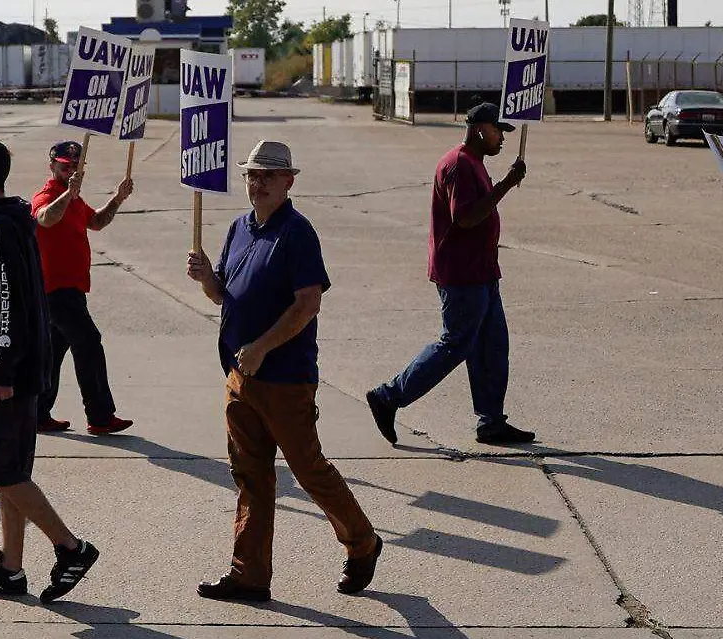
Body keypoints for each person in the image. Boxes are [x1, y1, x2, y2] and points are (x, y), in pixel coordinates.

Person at [186, 141, 382, 601]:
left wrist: (261, 348)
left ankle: (363, 542)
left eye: (269, 176)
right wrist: (207, 280)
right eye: (253, 175)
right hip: (240, 377)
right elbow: (224, 297)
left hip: (286, 379)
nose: (258, 184)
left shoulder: (297, 233)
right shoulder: (239, 228)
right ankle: (249, 575)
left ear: (289, 182)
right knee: (250, 476)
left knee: (309, 470)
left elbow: (307, 304)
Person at [0, 137, 99, 603]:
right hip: (15, 367)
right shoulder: (2, 225)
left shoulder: (2, 228)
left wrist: (0, 370)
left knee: (4, 470)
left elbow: (11, 307)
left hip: (7, 373)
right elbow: (4, 288)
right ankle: (10, 568)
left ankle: (70, 547)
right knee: (8, 469)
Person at [366, 101, 534, 446]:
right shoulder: (459, 164)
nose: (502, 138)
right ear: (478, 130)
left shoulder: (475, 163)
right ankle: (388, 396)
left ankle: (491, 421)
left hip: (482, 272)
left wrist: (500, 185)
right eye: (498, 131)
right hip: (462, 275)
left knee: (491, 346)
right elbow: (466, 218)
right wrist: (505, 185)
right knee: (454, 345)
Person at [30, 140, 133, 435]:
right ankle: (100, 416)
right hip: (56, 289)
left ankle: (37, 413)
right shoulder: (47, 196)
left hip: (73, 288)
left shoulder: (74, 199)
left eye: (76, 166)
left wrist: (118, 197)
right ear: (52, 166)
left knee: (53, 351)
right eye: (65, 166)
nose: (71, 170)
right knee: (88, 343)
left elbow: (97, 222)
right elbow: (46, 219)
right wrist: (68, 194)